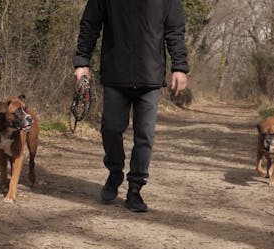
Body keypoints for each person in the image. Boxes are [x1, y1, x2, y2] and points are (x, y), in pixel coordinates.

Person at [73, 0, 189, 212]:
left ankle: (135, 188)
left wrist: (179, 67)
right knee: (110, 129)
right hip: (116, 73)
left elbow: (174, 30)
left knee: (144, 135)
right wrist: (82, 62)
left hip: (150, 77)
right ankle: (115, 172)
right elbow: (90, 24)